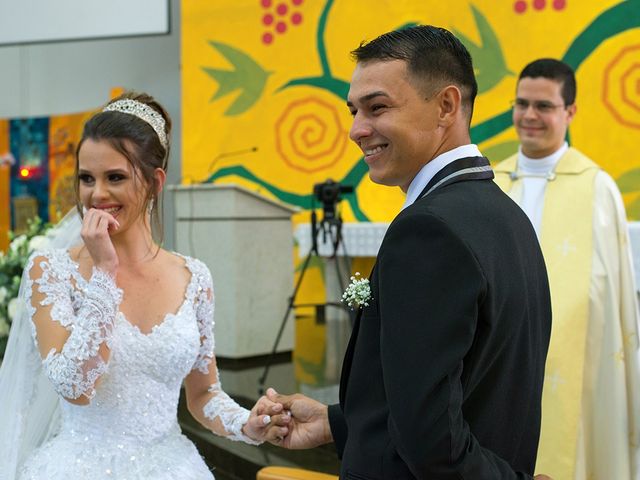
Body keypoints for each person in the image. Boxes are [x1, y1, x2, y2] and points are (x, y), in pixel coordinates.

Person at [266, 25, 553, 479]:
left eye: (377, 107)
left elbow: (433, 441)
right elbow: (459, 389)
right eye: (353, 111)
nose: (357, 130)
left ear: (446, 106)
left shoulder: (429, 230)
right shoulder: (505, 214)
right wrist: (335, 422)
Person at [0, 92, 288, 480]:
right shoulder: (51, 270)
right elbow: (76, 386)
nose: (96, 194)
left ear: (155, 182)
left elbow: (203, 394)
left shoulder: (194, 277)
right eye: (86, 178)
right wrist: (104, 272)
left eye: (114, 177)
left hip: (173, 467)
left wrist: (245, 424)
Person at [494, 58, 640, 480]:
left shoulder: (596, 187)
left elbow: (610, 296)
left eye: (544, 106)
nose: (529, 116)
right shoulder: (492, 182)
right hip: (501, 356)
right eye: (521, 104)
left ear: (570, 112)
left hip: (576, 364)